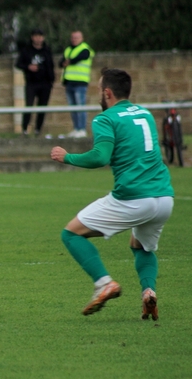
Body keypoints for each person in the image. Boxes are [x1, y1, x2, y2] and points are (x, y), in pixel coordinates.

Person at [50, 68, 174, 320]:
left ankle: (104, 283)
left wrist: (67, 157)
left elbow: (100, 156)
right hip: (164, 198)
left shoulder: (106, 118)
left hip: (133, 197)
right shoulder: (145, 114)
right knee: (141, 246)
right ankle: (148, 291)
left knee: (71, 233)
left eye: (98, 90)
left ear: (107, 93)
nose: (98, 94)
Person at [15, 28, 55, 137]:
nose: (38, 38)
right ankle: (24, 130)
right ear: (32, 37)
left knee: (42, 107)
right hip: (31, 83)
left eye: (40, 36)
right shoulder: (26, 50)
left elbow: (51, 66)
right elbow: (18, 64)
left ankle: (38, 130)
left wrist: (52, 80)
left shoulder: (47, 50)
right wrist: (28, 67)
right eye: (36, 36)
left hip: (45, 83)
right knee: (29, 106)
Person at [59, 30, 94, 138]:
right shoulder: (68, 49)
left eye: (77, 37)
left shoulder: (85, 49)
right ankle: (76, 129)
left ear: (82, 38)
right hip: (69, 82)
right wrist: (66, 62)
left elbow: (79, 58)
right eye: (73, 37)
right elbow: (61, 62)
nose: (74, 39)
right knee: (73, 108)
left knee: (80, 107)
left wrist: (69, 61)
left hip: (80, 82)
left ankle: (82, 129)